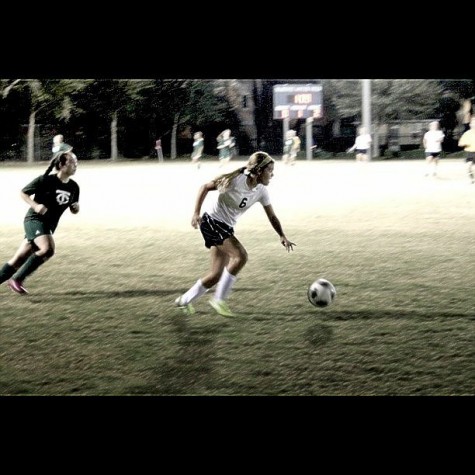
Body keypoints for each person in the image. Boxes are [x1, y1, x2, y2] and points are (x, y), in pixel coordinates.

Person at [174, 151, 296, 317]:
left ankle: (184, 300)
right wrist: (196, 213)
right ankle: (219, 300)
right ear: (259, 171)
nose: (272, 174)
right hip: (212, 222)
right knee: (241, 256)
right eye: (269, 170)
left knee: (215, 275)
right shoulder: (235, 181)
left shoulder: (261, 191)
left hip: (225, 227)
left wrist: (282, 235)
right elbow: (205, 187)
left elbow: (272, 216)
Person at [0, 143, 80, 294]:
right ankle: (17, 279)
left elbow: (73, 206)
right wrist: (35, 205)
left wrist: (75, 208)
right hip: (34, 220)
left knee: (18, 260)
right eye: (72, 162)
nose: (76, 165)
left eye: (77, 162)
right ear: (62, 165)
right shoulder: (45, 180)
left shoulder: (74, 187)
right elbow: (23, 193)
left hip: (48, 226)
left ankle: (12, 277)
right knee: (47, 249)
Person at [458, 117, 475, 184]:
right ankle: (472, 179)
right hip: (470, 152)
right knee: (468, 167)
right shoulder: (467, 133)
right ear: (470, 124)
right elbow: (460, 143)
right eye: (473, 123)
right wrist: (464, 143)